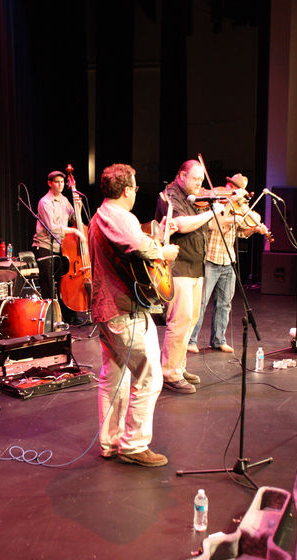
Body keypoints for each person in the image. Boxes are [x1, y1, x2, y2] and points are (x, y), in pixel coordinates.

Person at [88, 163, 179, 467]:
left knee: (114, 377)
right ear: (127, 190)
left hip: (106, 309)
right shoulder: (117, 215)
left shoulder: (102, 215)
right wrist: (163, 252)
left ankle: (110, 442)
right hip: (122, 311)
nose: (136, 192)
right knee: (150, 376)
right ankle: (134, 445)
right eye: (136, 187)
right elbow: (139, 246)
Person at [154, 160, 225, 394]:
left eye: (202, 181)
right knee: (180, 321)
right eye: (196, 179)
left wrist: (226, 210)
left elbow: (210, 226)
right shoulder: (169, 196)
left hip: (196, 267)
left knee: (191, 320)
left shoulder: (194, 200)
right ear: (182, 175)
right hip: (179, 267)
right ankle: (169, 373)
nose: (199, 184)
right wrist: (211, 211)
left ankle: (179, 365)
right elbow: (182, 225)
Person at [188, 173, 269, 354]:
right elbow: (207, 225)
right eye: (236, 189)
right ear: (230, 187)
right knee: (200, 303)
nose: (239, 195)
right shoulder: (214, 203)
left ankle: (218, 340)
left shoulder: (239, 207)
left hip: (228, 260)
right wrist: (229, 213)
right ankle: (191, 340)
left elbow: (240, 233)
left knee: (225, 304)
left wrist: (254, 229)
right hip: (210, 259)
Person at [32, 170, 86, 324]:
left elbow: (74, 219)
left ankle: (68, 316)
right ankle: (49, 320)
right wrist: (74, 231)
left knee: (64, 283)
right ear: (50, 183)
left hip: (61, 247)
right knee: (48, 285)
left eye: (62, 182)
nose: (60, 185)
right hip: (44, 246)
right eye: (57, 182)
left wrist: (78, 206)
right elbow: (52, 227)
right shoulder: (45, 202)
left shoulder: (64, 200)